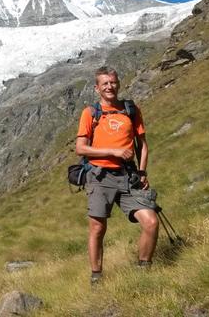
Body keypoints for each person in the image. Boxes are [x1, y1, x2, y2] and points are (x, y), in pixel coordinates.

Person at [75, 66, 159, 285]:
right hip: (99, 176)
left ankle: (143, 272)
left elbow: (143, 146)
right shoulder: (90, 113)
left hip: (128, 175)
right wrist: (112, 151)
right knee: (97, 227)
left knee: (150, 221)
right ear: (97, 88)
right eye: (105, 83)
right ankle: (97, 278)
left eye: (113, 82)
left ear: (118, 83)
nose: (109, 87)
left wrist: (142, 172)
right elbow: (81, 148)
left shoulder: (131, 110)